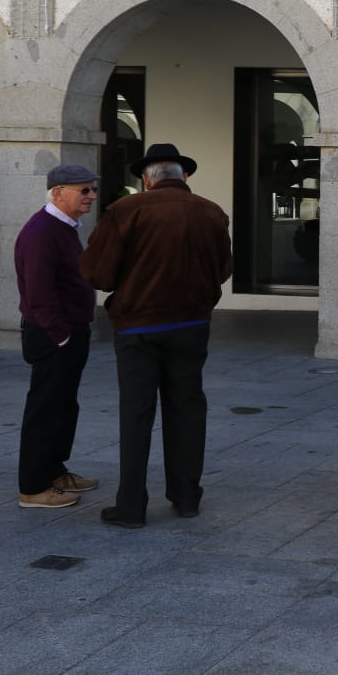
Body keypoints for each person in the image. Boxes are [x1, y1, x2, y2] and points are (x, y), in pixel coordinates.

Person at [79, 144, 233, 527]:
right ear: (184, 177)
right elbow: (224, 269)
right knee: (187, 410)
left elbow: (99, 274)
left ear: (146, 179)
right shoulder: (211, 212)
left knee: (137, 414)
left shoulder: (125, 211)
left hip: (139, 327)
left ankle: (131, 506)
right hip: (191, 326)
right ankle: (186, 497)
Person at [14, 165, 102, 509]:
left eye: (91, 190)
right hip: (54, 335)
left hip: (69, 332)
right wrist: (61, 336)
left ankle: (54, 472)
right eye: (84, 190)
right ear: (57, 192)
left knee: (64, 406)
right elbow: (38, 293)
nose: (92, 196)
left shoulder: (63, 227)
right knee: (46, 409)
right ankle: (33, 487)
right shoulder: (41, 232)